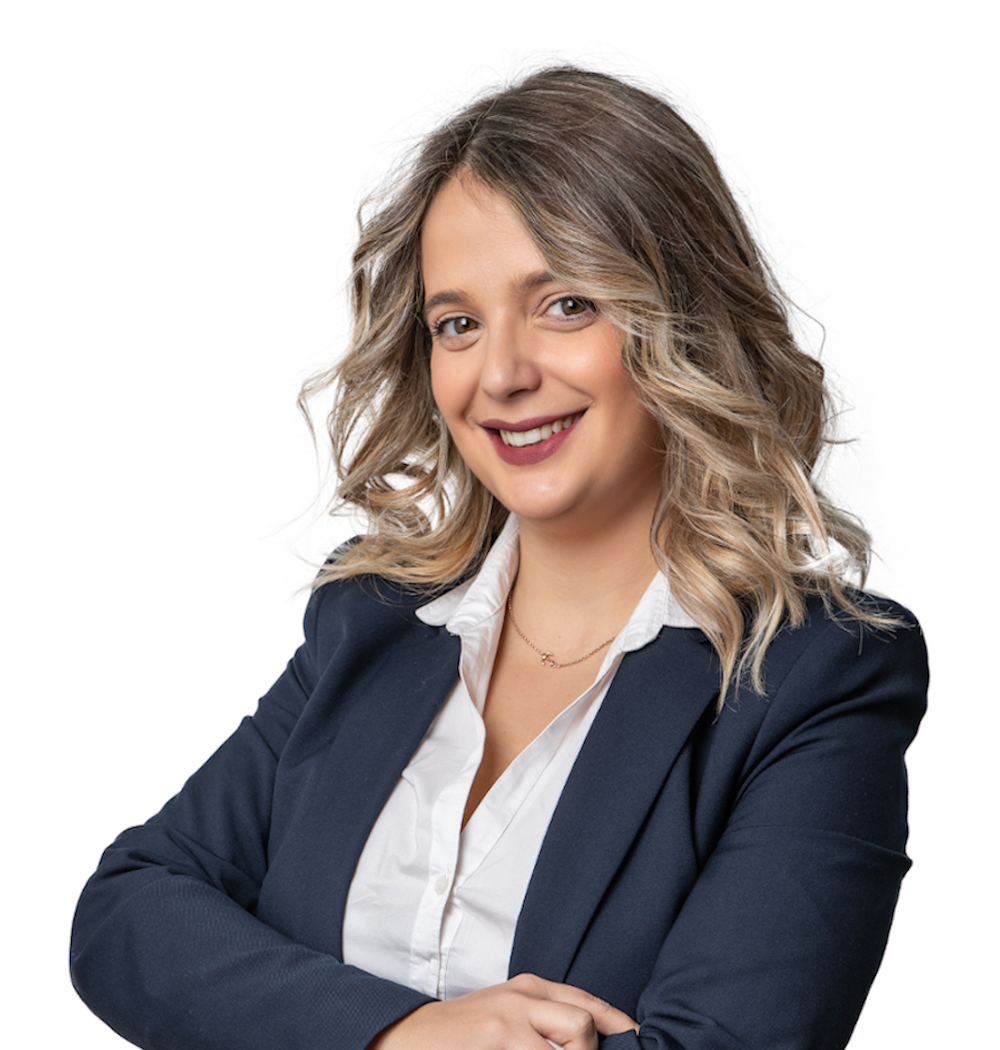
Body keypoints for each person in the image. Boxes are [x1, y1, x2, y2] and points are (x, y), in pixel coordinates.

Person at [70, 67, 928, 1050]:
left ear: (683, 320)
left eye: (565, 304)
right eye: (459, 324)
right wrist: (401, 1033)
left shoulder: (815, 675)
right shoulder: (374, 618)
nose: (502, 374)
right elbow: (131, 913)